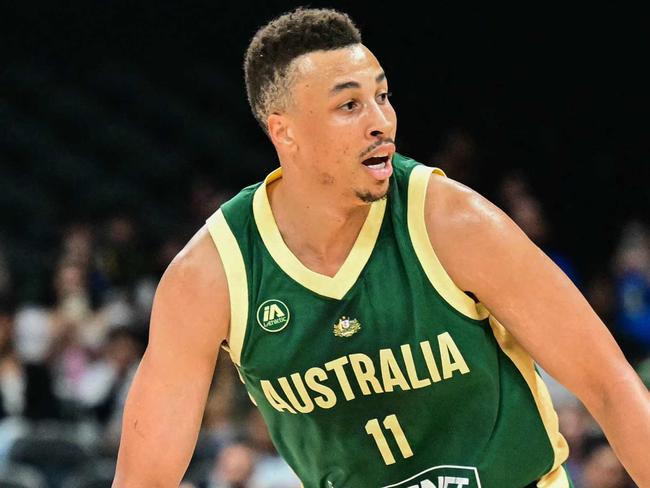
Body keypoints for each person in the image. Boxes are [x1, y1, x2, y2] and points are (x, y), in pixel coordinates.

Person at [112, 7, 650, 488]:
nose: (381, 121)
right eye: (349, 104)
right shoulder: (212, 275)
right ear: (286, 132)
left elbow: (609, 385)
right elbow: (146, 476)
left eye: (382, 95)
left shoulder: (452, 222)